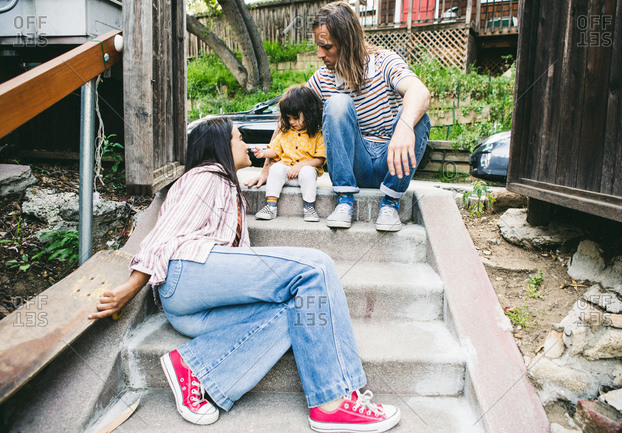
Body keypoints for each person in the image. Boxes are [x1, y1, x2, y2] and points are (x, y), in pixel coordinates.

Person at [89, 118, 401, 432]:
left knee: (301, 309)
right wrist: (131, 286)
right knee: (316, 267)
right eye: (239, 138)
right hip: (187, 274)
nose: (246, 144)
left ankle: (194, 367)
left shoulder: (225, 184)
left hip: (198, 310)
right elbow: (163, 235)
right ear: (220, 146)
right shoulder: (204, 176)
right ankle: (333, 401)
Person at [246, 1, 431, 232]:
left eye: (327, 46)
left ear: (348, 42)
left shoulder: (384, 62)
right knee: (337, 102)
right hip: (355, 165)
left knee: (418, 116)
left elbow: (420, 92)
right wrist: (267, 167)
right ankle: (345, 200)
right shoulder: (322, 78)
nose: (319, 54)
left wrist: (404, 128)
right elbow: (287, 120)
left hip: (389, 162)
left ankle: (390, 204)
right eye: (318, 46)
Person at [253, 85, 326, 222]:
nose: (292, 122)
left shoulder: (317, 135)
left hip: (305, 175)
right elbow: (275, 149)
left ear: (309, 113)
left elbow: (320, 159)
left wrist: (301, 166)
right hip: (286, 174)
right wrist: (263, 153)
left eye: (295, 117)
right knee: (275, 168)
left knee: (308, 172)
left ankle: (309, 207)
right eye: (289, 118)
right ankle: (271, 206)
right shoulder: (285, 133)